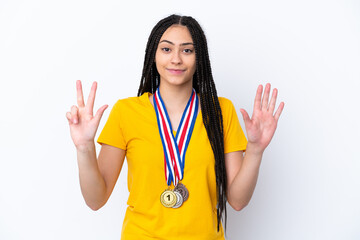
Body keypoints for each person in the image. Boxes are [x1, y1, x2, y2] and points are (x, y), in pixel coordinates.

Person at [66, 14, 284, 240]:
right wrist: (84, 148)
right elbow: (95, 200)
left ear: (200, 57)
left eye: (187, 50)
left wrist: (256, 150)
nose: (176, 59)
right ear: (153, 55)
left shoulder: (221, 111)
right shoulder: (126, 112)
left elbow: (238, 201)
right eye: (167, 49)